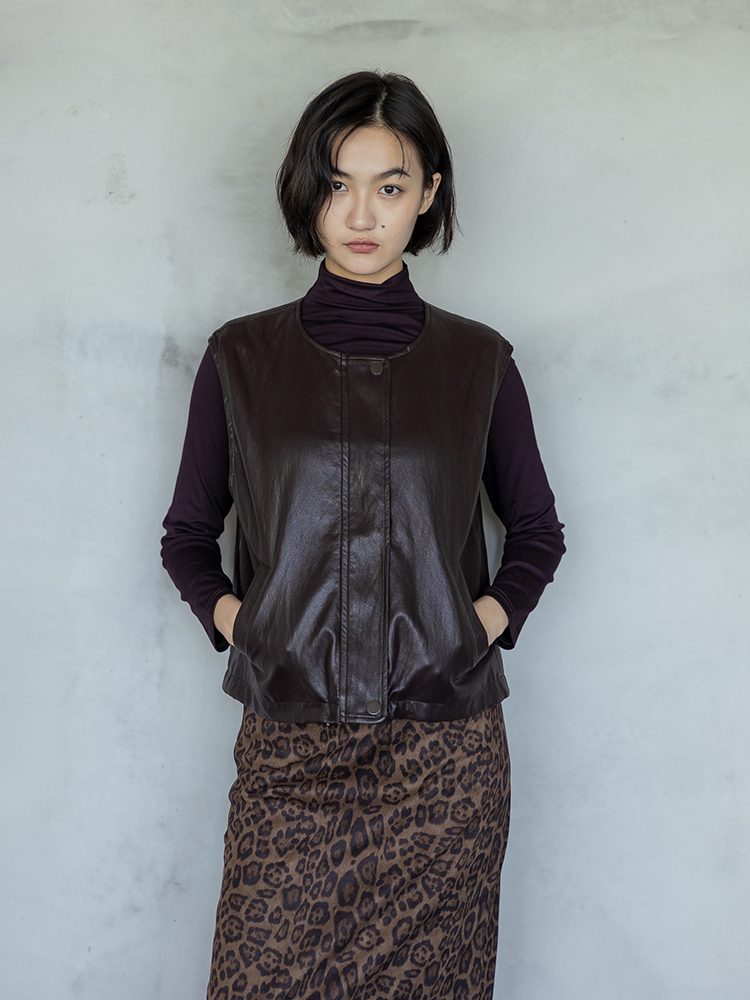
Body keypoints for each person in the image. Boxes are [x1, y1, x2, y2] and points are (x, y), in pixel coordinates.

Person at [161, 69, 565, 1000]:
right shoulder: (240, 358)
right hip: (290, 746)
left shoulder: (480, 362)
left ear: (428, 194)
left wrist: (474, 626)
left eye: (390, 185)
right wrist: (248, 624)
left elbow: (537, 530)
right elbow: (187, 534)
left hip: (445, 759)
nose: (361, 213)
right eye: (337, 184)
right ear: (306, 190)